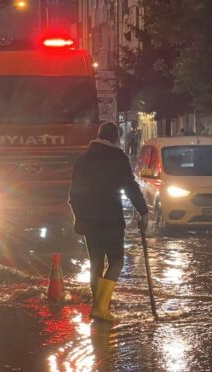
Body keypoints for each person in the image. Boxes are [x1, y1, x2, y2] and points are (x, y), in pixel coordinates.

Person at [69, 121, 149, 321]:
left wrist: (79, 216)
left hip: (88, 221)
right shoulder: (117, 158)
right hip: (111, 219)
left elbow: (74, 193)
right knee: (116, 262)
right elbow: (130, 186)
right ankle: (100, 307)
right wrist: (143, 211)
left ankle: (98, 305)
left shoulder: (83, 159)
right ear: (115, 138)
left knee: (95, 262)